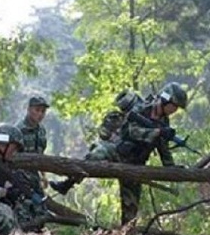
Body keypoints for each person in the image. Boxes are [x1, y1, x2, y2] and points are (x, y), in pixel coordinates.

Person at [50, 82, 187, 225]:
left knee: (130, 212)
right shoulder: (141, 107)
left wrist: (171, 166)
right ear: (166, 99)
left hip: (135, 165)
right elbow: (131, 131)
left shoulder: (165, 121)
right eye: (174, 105)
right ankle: (67, 183)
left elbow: (163, 147)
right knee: (95, 155)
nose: (175, 110)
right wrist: (157, 132)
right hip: (117, 151)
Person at [14, 96, 51, 231]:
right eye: (37, 110)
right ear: (29, 110)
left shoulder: (41, 130)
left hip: (35, 178)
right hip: (20, 179)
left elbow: (40, 155)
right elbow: (12, 159)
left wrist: (43, 175)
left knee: (41, 213)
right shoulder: (18, 130)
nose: (40, 114)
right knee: (24, 214)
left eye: (43, 111)